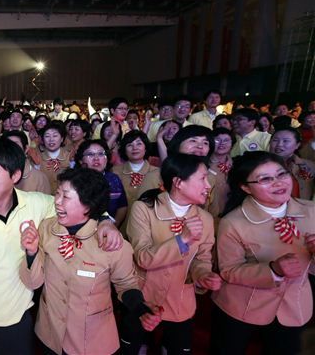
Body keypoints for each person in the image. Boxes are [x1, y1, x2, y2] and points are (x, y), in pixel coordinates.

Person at [0, 138, 123, 355]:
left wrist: (104, 219)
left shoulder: (37, 204)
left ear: (15, 176)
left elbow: (78, 208)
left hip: (16, 322)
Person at [19, 168, 161, 355]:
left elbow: (126, 285)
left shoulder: (112, 243)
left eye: (66, 197)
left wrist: (139, 306)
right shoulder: (46, 229)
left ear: (88, 205)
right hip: (50, 333)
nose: (57, 201)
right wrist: (31, 252)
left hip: (91, 338)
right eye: (57, 194)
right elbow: (33, 281)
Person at [211, 151, 314, 355]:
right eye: (265, 179)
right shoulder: (232, 222)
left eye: (281, 174)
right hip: (242, 304)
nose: (278, 183)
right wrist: (273, 270)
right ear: (245, 187)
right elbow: (229, 270)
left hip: (293, 304)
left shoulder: (311, 211)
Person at [127, 153, 222, 354]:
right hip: (144, 293)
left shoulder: (204, 218)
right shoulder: (144, 209)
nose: (208, 185)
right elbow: (142, 257)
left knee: (176, 347)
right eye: (202, 178)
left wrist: (203, 275)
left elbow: (202, 259)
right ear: (178, 182)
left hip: (180, 298)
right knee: (135, 346)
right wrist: (182, 239)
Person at [75, 139, 128, 227]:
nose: (96, 158)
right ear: (81, 160)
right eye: (90, 154)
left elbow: (122, 206)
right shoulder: (74, 181)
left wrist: (114, 225)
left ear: (106, 159)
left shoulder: (114, 179)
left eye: (100, 154)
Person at [269, 127, 314, 200]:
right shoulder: (258, 166)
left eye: (286, 141)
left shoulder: (309, 166)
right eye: (275, 140)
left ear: (297, 145)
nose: (279, 144)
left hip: (302, 208)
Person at [3, 130, 51, 195]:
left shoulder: (39, 178)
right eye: (7, 145)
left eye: (15, 144)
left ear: (26, 149)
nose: (11, 148)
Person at [38, 121, 70, 194]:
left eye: (55, 136)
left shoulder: (69, 157)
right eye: (47, 136)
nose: (51, 139)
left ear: (62, 139)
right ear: (43, 140)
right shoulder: (37, 158)